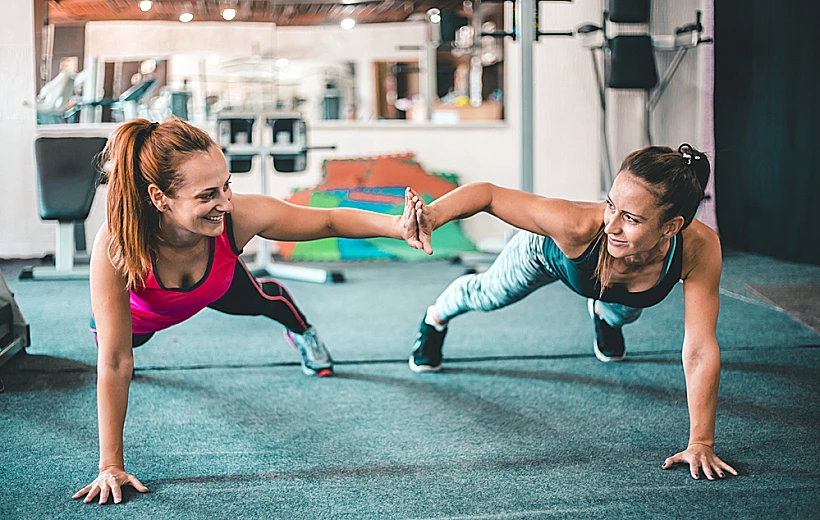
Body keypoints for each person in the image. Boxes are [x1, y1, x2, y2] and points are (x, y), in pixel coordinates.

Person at [74, 118, 426, 505]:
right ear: (160, 198)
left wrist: (397, 226)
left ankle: (303, 332)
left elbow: (326, 220)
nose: (224, 203)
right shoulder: (117, 242)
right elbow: (115, 362)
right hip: (146, 315)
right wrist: (110, 464)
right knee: (116, 352)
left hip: (217, 284)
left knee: (265, 299)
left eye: (227, 185)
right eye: (208, 195)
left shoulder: (236, 216)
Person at [407, 144, 738, 481]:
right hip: (546, 255)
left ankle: (604, 315)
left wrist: (701, 442)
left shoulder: (698, 248)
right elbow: (489, 195)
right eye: (611, 205)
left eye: (631, 218)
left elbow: (699, 347)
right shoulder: (576, 225)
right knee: (489, 294)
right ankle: (435, 317)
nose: (611, 226)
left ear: (671, 227)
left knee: (624, 312)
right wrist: (434, 215)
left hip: (621, 283)